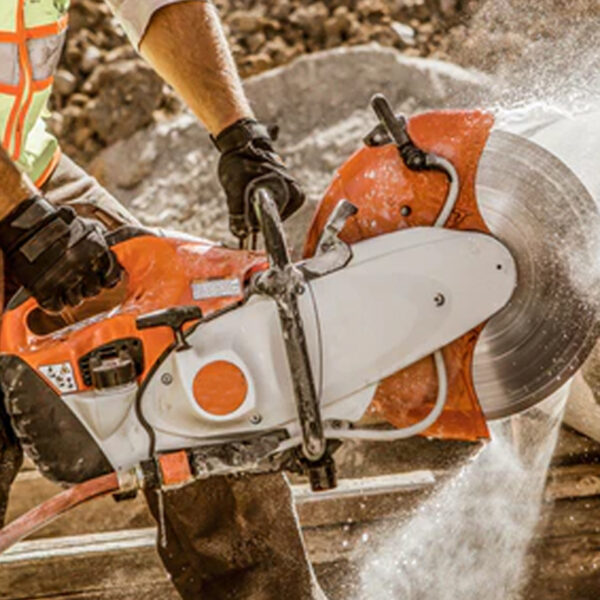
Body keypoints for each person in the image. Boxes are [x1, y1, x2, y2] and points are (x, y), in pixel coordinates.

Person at [0, 1, 325, 598]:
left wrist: (237, 133)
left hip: (27, 165)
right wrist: (19, 215)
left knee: (188, 359)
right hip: (14, 190)